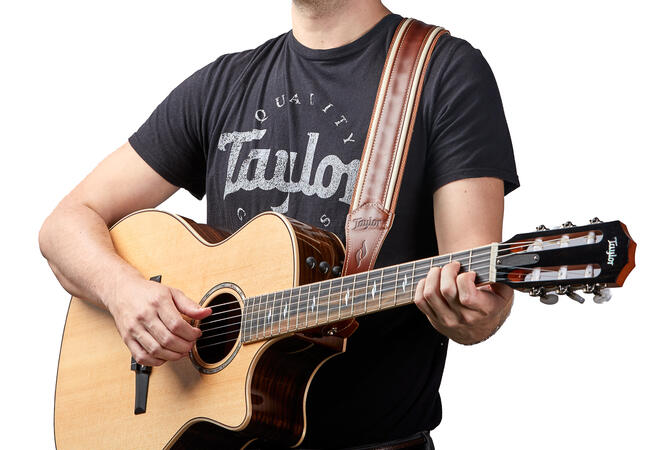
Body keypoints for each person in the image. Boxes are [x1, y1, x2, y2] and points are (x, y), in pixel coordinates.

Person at [39, 1, 519, 448]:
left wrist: (477, 314)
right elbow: (65, 224)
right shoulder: (224, 84)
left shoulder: (442, 72)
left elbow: (473, 283)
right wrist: (124, 292)